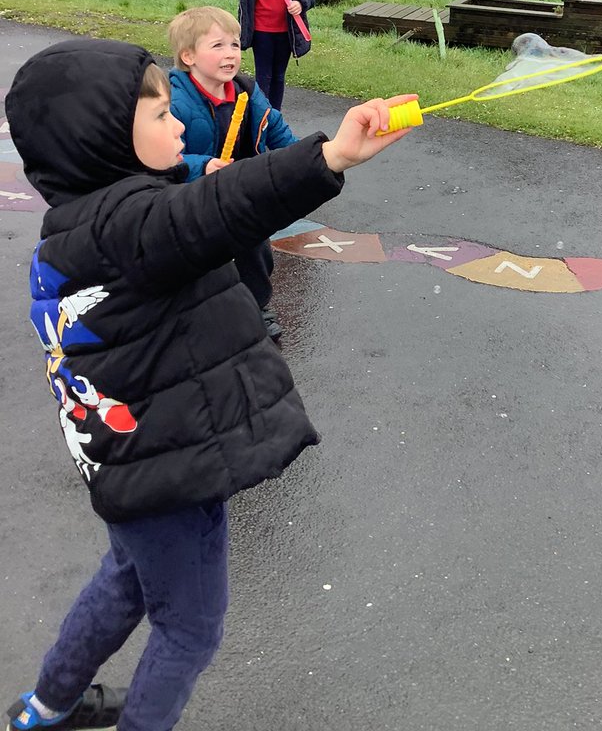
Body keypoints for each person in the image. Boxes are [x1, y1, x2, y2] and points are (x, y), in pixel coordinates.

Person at [4, 37, 414, 731]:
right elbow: (215, 209)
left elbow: (195, 205)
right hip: (168, 469)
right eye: (159, 116)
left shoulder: (83, 222)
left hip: (134, 464)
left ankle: (44, 707)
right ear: (101, 138)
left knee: (126, 579)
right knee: (189, 629)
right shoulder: (131, 226)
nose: (177, 127)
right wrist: (328, 158)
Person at [167, 6, 297, 342]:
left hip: (240, 189)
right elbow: (163, 157)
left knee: (254, 247)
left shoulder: (246, 90)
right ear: (188, 56)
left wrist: (304, 158)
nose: (230, 54)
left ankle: (257, 306)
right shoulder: (174, 101)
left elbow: (275, 128)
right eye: (218, 46)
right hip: (193, 193)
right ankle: (193, 311)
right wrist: (202, 165)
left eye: (235, 45)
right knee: (199, 256)